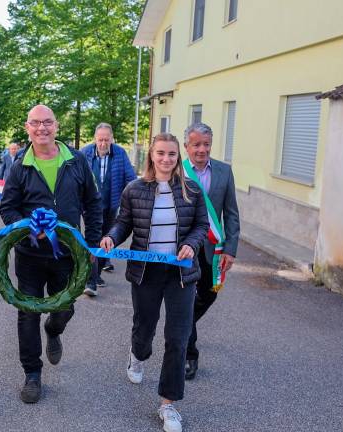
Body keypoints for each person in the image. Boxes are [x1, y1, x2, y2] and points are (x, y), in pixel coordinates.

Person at [100, 133, 208, 432]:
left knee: (178, 337)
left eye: (172, 154)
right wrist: (111, 236)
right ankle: (138, 355)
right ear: (151, 155)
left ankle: (168, 404)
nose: (166, 159)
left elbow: (201, 226)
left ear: (178, 157)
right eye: (160, 153)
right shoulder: (134, 189)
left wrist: (192, 244)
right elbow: (124, 222)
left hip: (180, 275)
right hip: (146, 272)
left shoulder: (192, 191)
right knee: (144, 328)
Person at [0, 105, 102, 404]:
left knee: (64, 308)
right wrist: (28, 228)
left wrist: (92, 244)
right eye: (36, 123)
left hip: (68, 255)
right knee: (27, 312)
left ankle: (54, 329)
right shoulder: (20, 164)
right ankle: (32, 373)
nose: (42, 128)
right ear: (27, 127)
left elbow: (93, 205)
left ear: (56, 126)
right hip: (29, 255)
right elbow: (8, 207)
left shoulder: (77, 160)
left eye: (47, 122)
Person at [182, 123, 240, 380]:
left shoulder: (225, 172)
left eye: (206, 144)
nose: (201, 149)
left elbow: (231, 214)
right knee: (183, 300)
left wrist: (231, 249)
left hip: (211, 250)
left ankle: (182, 327)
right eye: (196, 144)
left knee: (208, 294)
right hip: (182, 248)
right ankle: (189, 354)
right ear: (187, 147)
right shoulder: (177, 170)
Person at [80, 123, 137, 296]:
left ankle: (99, 270)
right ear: (95, 138)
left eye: (106, 140)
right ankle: (91, 281)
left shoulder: (119, 153)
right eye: (100, 140)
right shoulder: (85, 153)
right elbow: (77, 177)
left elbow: (130, 178)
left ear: (112, 139)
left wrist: (132, 200)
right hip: (90, 207)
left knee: (106, 238)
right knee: (93, 238)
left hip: (112, 205)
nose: (103, 143)